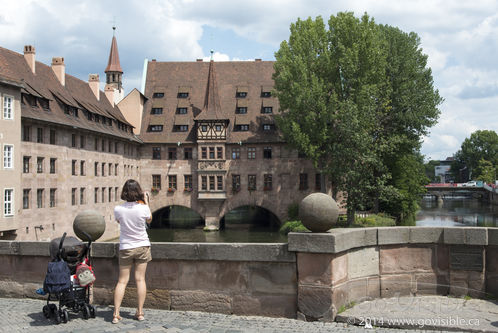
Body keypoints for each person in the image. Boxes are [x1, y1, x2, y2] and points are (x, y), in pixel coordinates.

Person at [112, 179, 152, 324]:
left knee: (122, 281)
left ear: (124, 192)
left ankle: (116, 314)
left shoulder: (118, 209)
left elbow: (119, 222)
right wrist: (146, 201)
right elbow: (149, 220)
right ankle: (140, 312)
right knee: (140, 279)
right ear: (139, 192)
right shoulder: (143, 208)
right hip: (142, 246)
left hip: (126, 247)